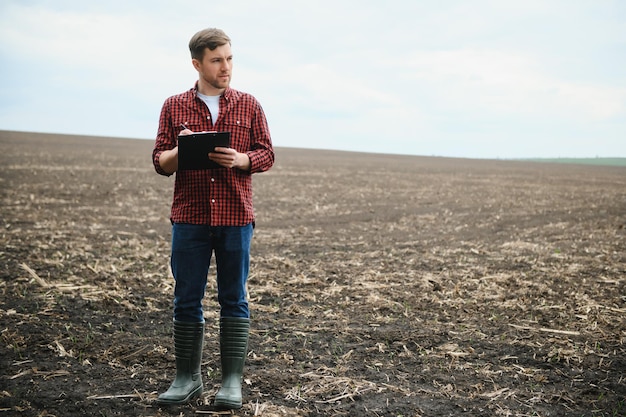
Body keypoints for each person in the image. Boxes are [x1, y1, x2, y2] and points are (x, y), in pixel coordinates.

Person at [151, 28, 274, 409]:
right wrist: (182, 148)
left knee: (233, 298)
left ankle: (231, 384)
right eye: (217, 60)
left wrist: (241, 160)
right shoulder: (174, 106)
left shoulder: (249, 104)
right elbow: (160, 161)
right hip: (190, 217)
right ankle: (187, 379)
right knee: (186, 298)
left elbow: (266, 154)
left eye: (230, 59)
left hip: (236, 216)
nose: (226, 67)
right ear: (197, 63)